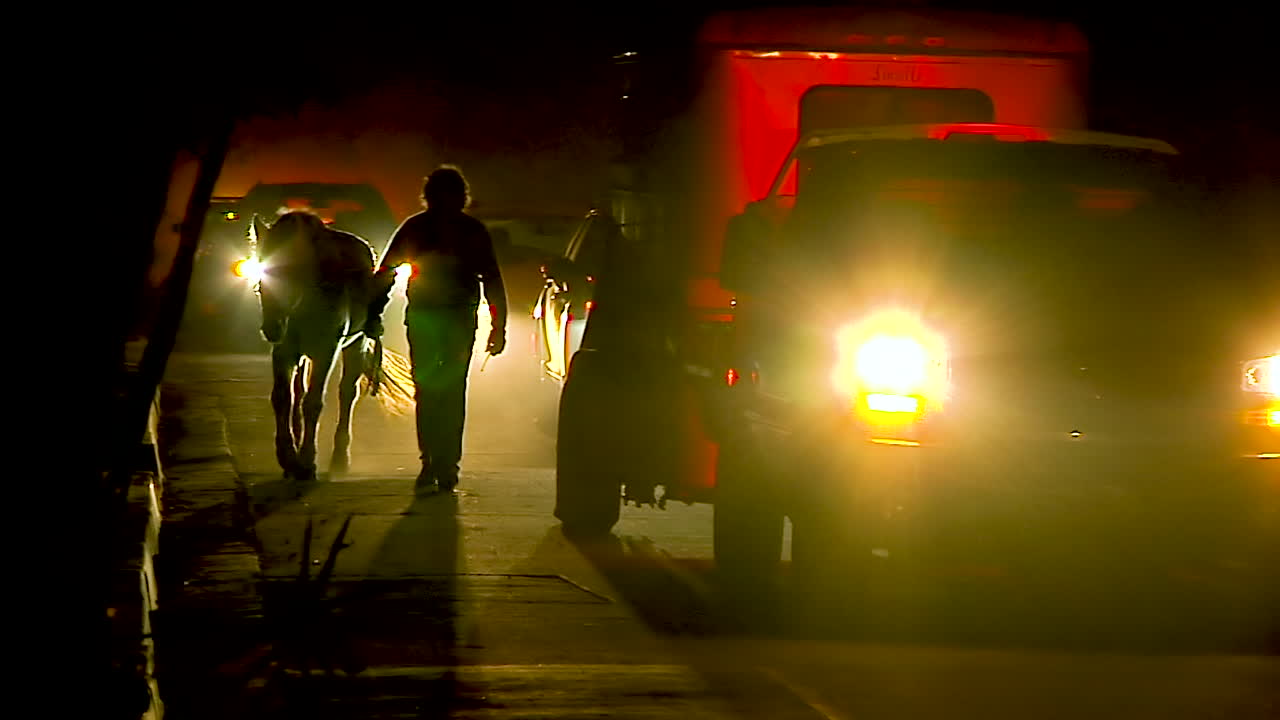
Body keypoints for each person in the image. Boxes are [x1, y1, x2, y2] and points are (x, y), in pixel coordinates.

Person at [366, 166, 508, 495]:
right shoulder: (471, 230)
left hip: (426, 317)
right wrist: (498, 327)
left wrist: (373, 312)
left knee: (428, 390)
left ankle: (431, 461)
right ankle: (446, 465)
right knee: (452, 391)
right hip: (456, 319)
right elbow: (492, 279)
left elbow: (385, 272)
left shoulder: (416, 227)